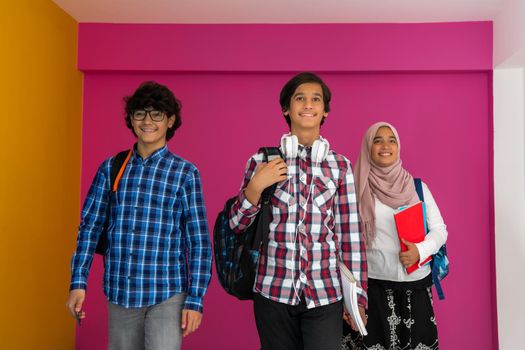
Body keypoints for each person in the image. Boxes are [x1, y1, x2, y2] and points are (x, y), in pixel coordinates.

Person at [66, 81, 212, 350]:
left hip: (166, 293)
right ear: (131, 120)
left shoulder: (185, 173)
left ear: (170, 121)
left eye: (157, 114)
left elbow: (199, 242)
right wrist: (78, 283)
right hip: (120, 293)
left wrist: (195, 299)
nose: (148, 121)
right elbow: (89, 228)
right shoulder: (111, 167)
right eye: (140, 113)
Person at [229, 72, 367, 350]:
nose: (308, 105)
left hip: (325, 293)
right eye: (300, 98)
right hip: (272, 291)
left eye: (316, 99)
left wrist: (358, 299)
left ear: (325, 110)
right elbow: (237, 224)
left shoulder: (340, 166)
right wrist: (256, 186)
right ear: (286, 108)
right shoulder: (261, 161)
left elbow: (351, 237)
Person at [341, 122, 447, 350]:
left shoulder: (417, 187)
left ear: (398, 146)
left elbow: (440, 230)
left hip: (415, 287)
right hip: (373, 290)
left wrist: (419, 251)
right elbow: (344, 240)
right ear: (368, 147)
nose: (385, 146)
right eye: (377, 140)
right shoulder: (356, 189)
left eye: (392, 140)